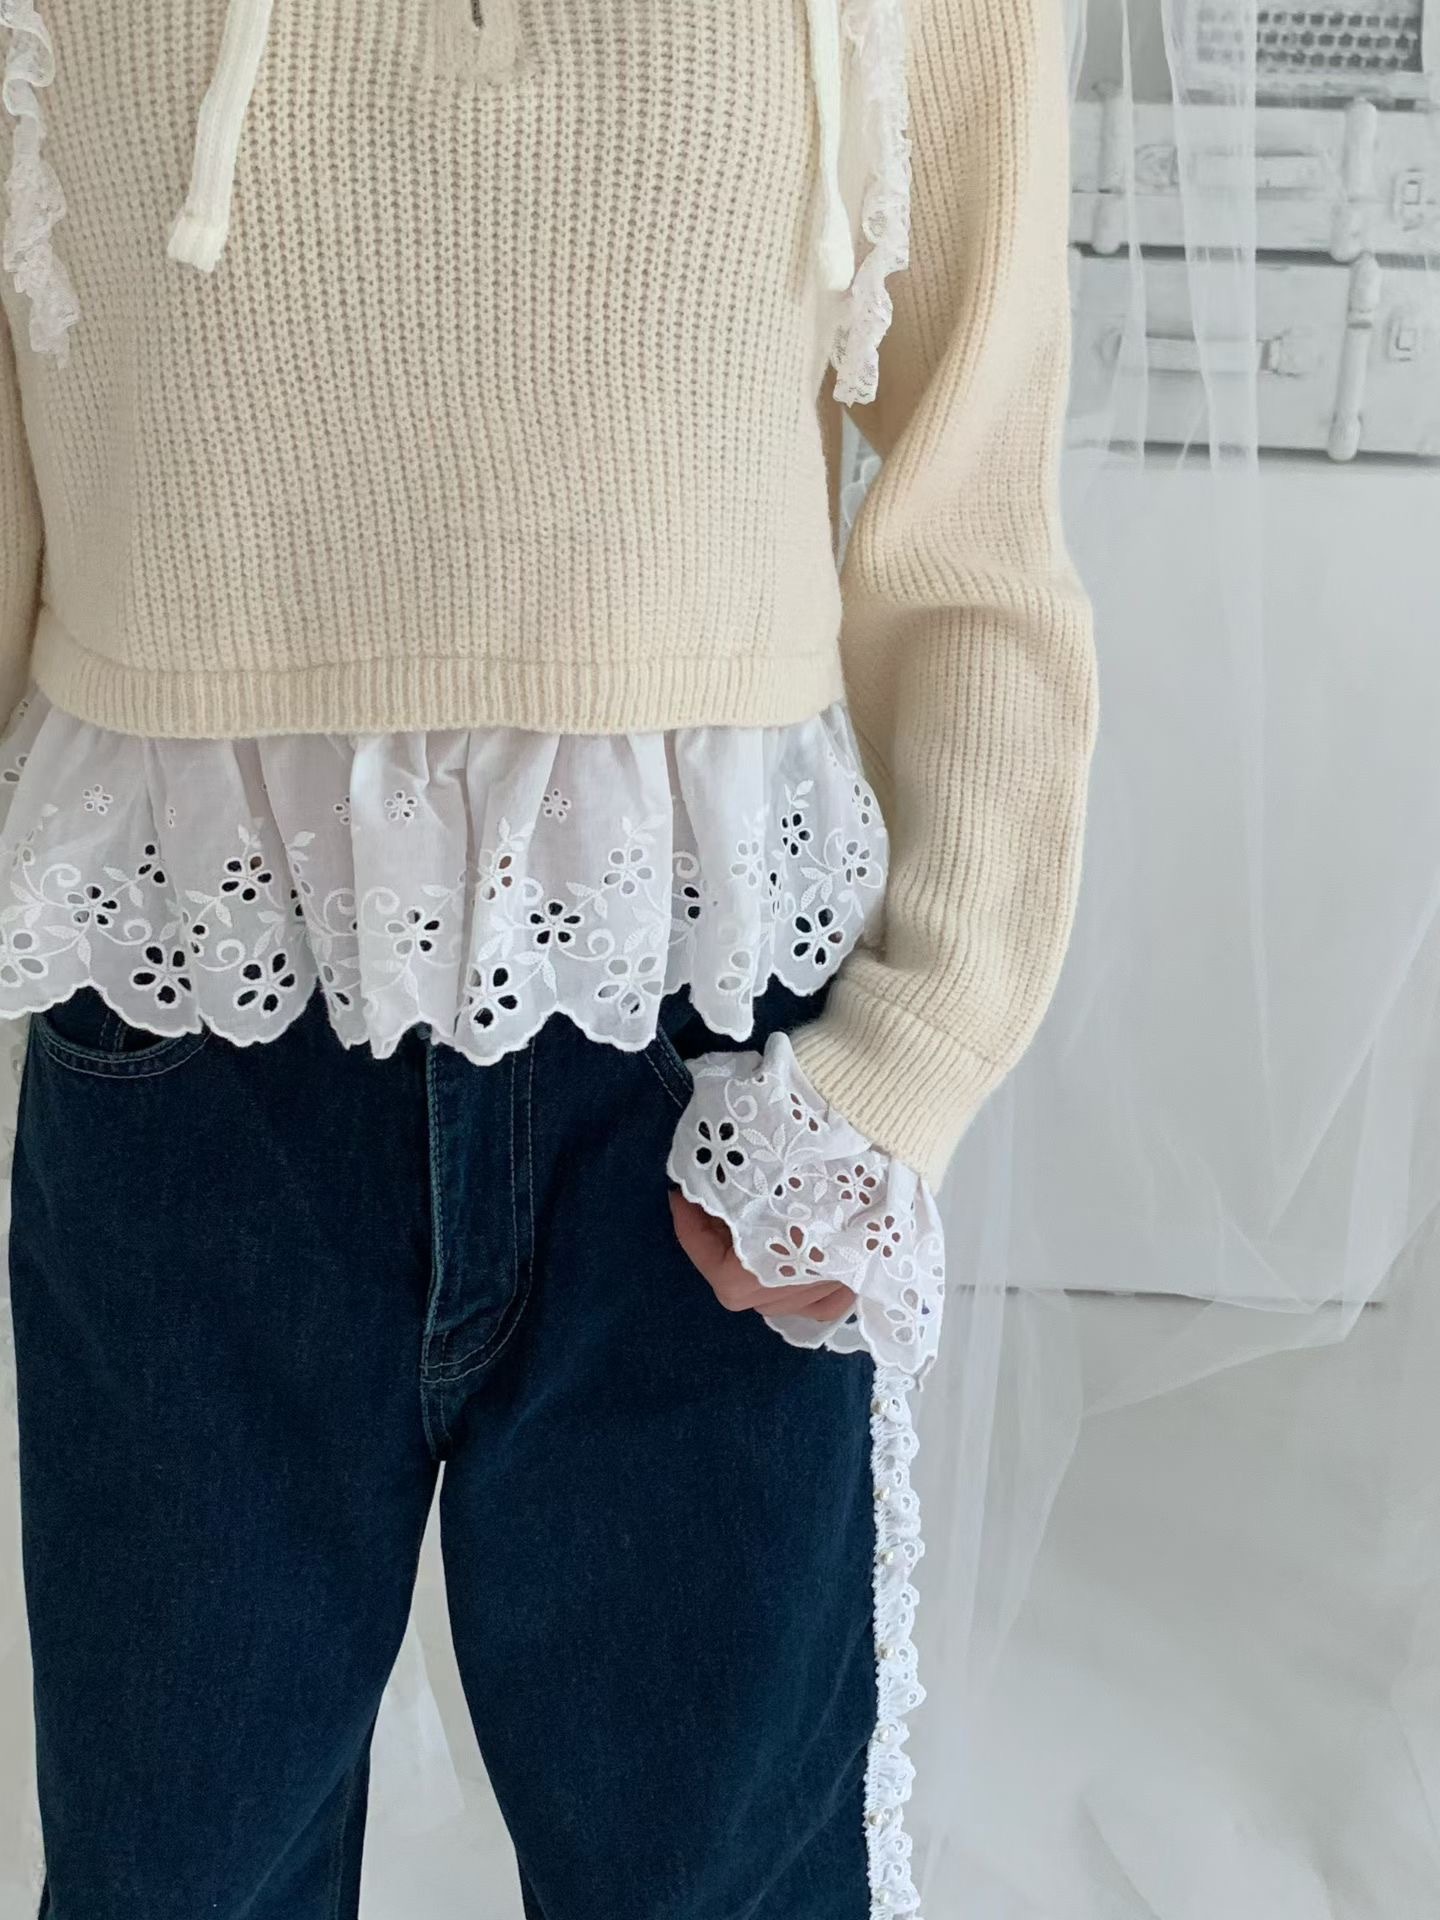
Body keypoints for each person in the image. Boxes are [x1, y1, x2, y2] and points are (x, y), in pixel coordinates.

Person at [0, 2, 1096, 1915]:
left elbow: (971, 505)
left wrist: (912, 1053)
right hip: (184, 1008)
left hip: (710, 1059)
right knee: (175, 1873)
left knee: (714, 1879)